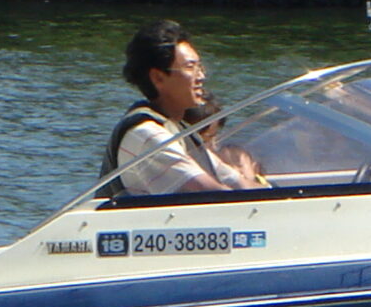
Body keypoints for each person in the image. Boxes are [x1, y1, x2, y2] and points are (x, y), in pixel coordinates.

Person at [102, 20, 262, 196]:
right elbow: (213, 194)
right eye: (190, 67)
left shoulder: (180, 130)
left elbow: (235, 181)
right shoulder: (148, 136)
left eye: (200, 67)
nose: (201, 76)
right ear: (158, 78)